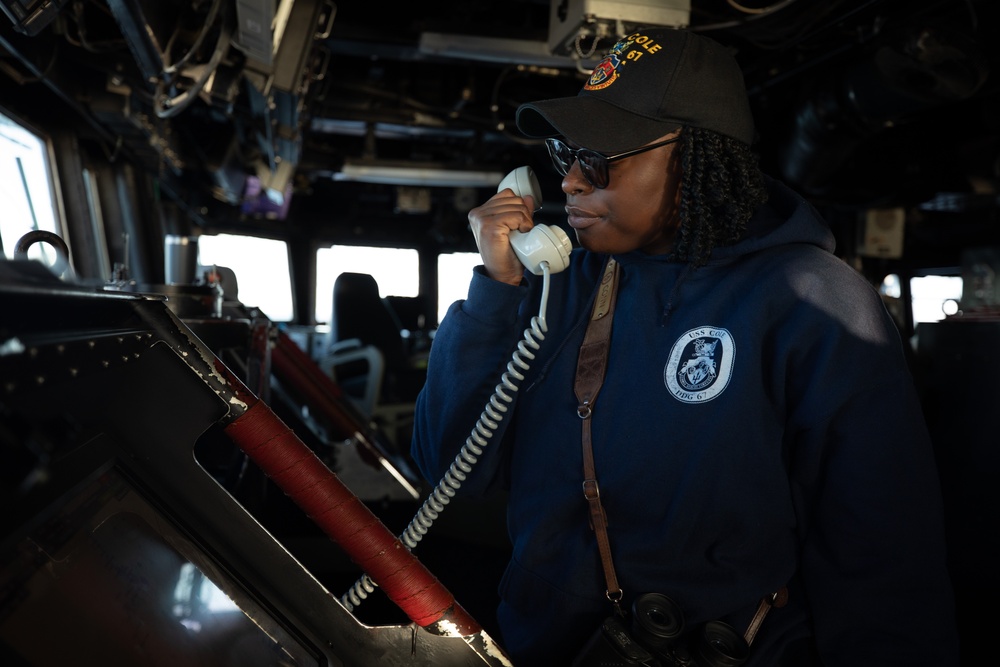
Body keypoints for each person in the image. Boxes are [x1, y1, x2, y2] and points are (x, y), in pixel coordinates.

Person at [411, 27, 959, 666]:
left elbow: (880, 552)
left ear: (698, 157)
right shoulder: (557, 282)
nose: (572, 184)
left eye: (602, 157)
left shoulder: (814, 303)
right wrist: (494, 290)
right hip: (540, 648)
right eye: (567, 154)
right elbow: (449, 468)